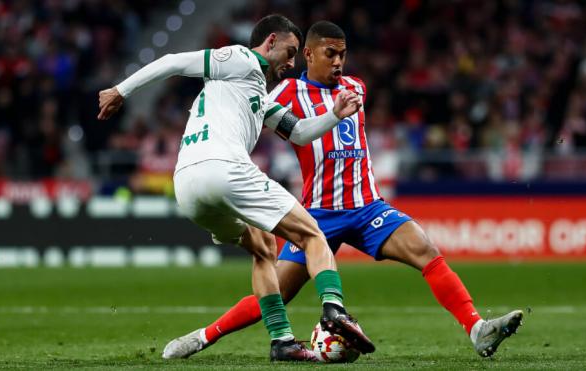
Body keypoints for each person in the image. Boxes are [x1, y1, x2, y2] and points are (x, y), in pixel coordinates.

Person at [165, 20, 524, 360]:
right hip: (318, 214)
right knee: (277, 290)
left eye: (343, 55)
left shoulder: (357, 88)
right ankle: (204, 336)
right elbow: (249, 116)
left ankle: (477, 329)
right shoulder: (284, 92)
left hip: (368, 207)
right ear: (308, 55)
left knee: (425, 249)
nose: (338, 62)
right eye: (330, 54)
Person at [97, 15, 375, 361]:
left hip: (188, 186)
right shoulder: (239, 59)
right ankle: (334, 310)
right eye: (289, 53)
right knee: (313, 235)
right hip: (225, 169)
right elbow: (172, 61)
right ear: (269, 42)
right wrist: (119, 90)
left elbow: (300, 133)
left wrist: (334, 114)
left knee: (262, 247)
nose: (291, 64)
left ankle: (282, 341)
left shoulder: (257, 92)